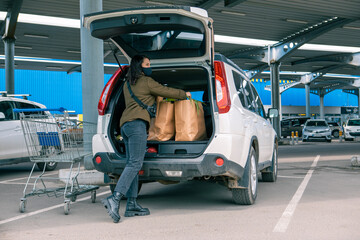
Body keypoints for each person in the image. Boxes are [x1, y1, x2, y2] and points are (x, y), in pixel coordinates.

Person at [102, 55, 191, 223]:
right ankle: (114, 198)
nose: (150, 67)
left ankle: (132, 204)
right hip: (137, 126)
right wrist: (183, 94)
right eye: (147, 64)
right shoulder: (147, 82)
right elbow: (165, 91)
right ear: (140, 67)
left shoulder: (127, 84)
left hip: (125, 126)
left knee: (132, 164)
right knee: (135, 164)